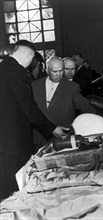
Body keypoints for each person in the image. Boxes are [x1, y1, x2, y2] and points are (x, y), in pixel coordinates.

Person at [0, 40, 68, 201]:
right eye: (32, 60)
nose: (31, 64)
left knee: (3, 190)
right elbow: (28, 108)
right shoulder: (17, 72)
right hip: (15, 143)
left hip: (3, 141)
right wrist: (52, 128)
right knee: (18, 192)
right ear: (28, 55)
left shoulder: (2, 67)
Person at [32, 56, 96, 149]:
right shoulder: (35, 85)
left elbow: (86, 108)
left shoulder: (72, 87)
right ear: (46, 70)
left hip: (62, 139)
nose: (58, 74)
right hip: (39, 138)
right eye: (55, 71)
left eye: (61, 71)